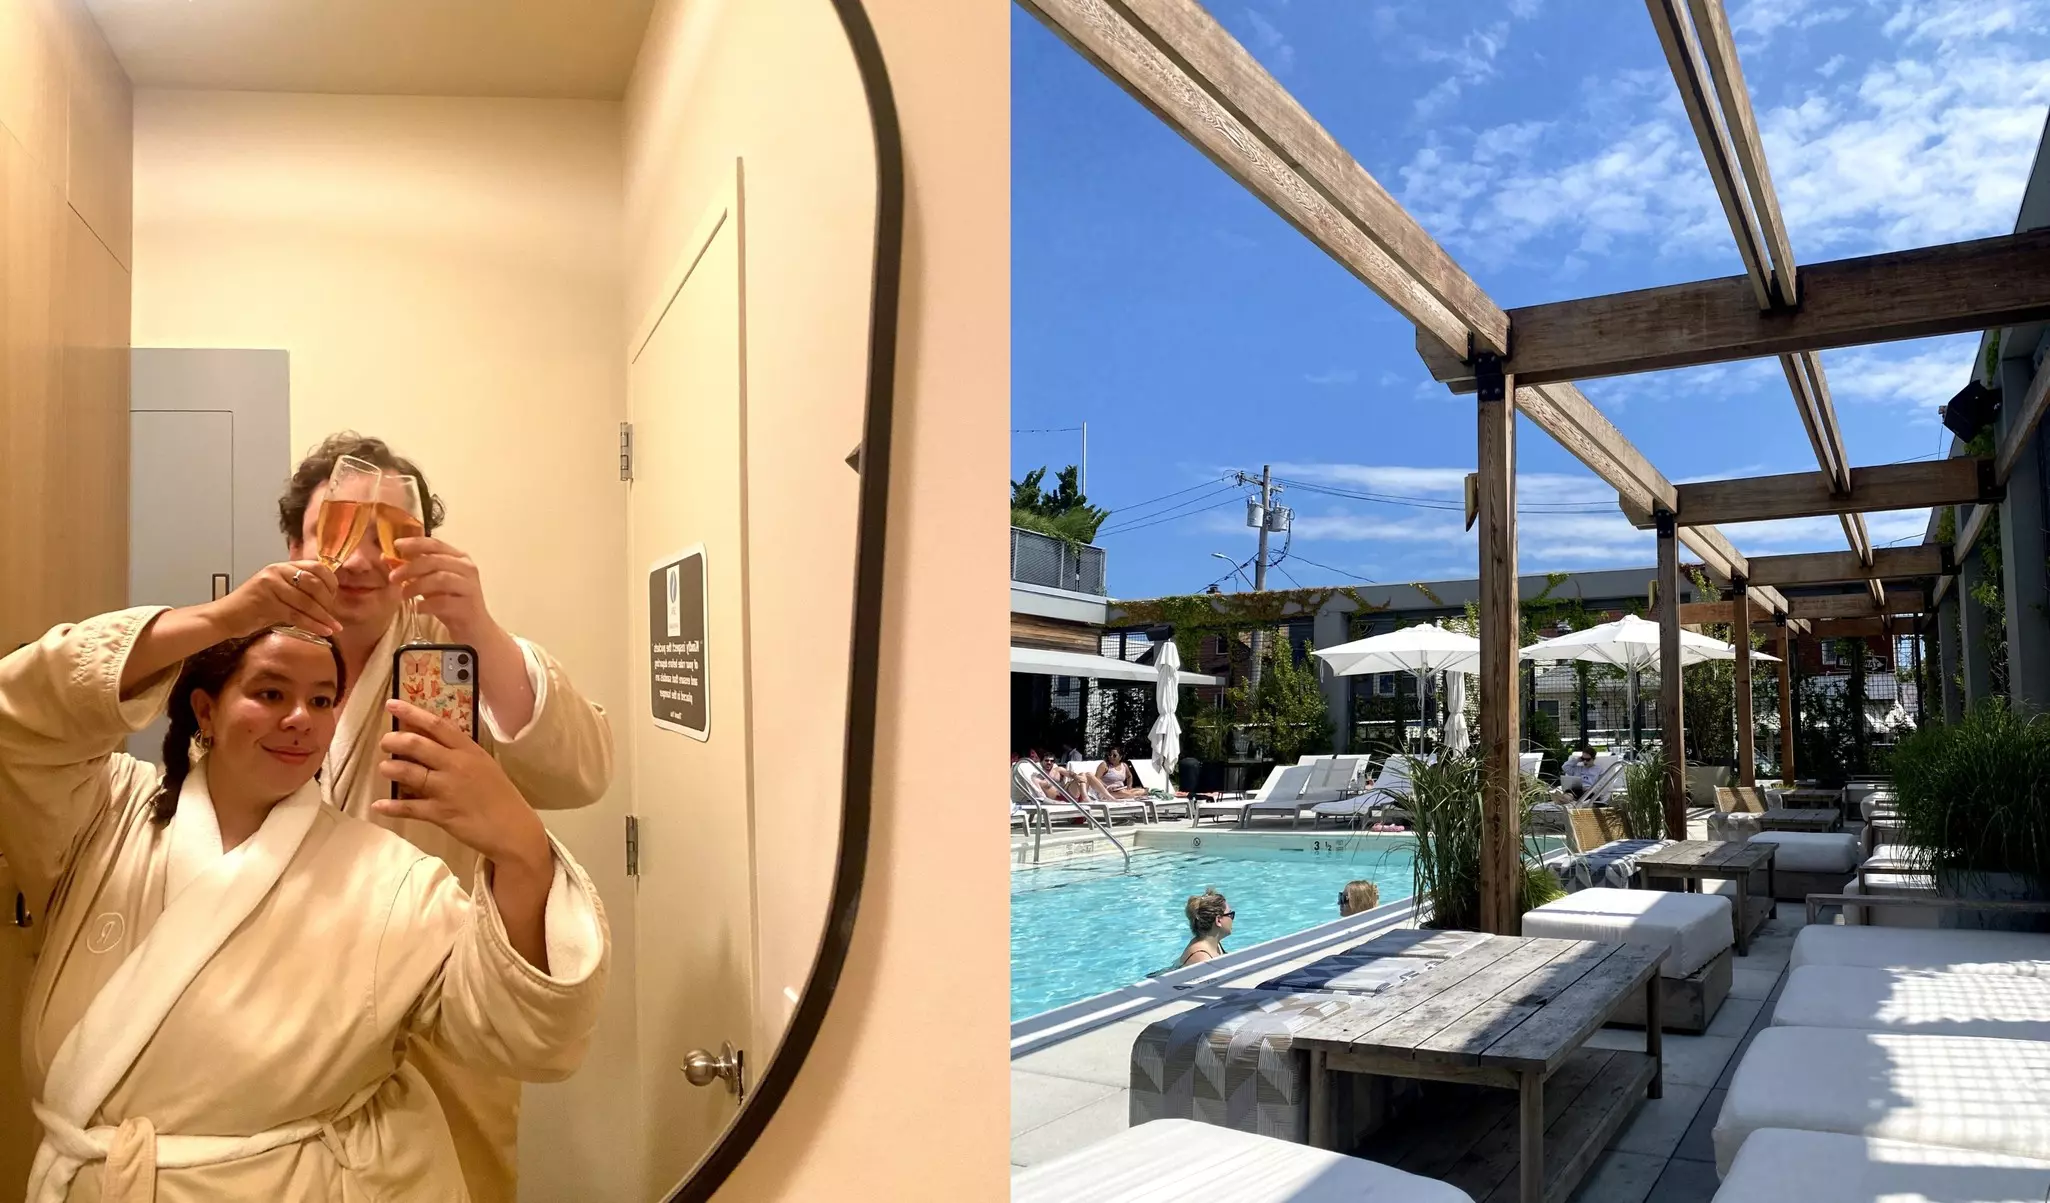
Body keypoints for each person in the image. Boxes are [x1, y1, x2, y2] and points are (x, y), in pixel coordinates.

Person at [0, 578, 610, 1201]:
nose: (300, 720)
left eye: (322, 701)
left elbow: (530, 1037)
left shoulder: (388, 877)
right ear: (206, 710)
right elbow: (17, 713)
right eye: (270, 693)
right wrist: (215, 619)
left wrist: (522, 851)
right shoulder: (107, 813)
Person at [258, 432, 615, 1201]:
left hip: (433, 1029)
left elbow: (584, 768)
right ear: (296, 542)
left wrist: (479, 626)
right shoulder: (254, 663)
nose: (359, 559)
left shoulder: (457, 658)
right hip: (278, 1018)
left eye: (389, 535)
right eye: (338, 529)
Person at [1175, 888, 1233, 967]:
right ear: (1218, 920)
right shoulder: (1202, 958)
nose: (1232, 919)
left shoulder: (1213, 942)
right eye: (1230, 914)